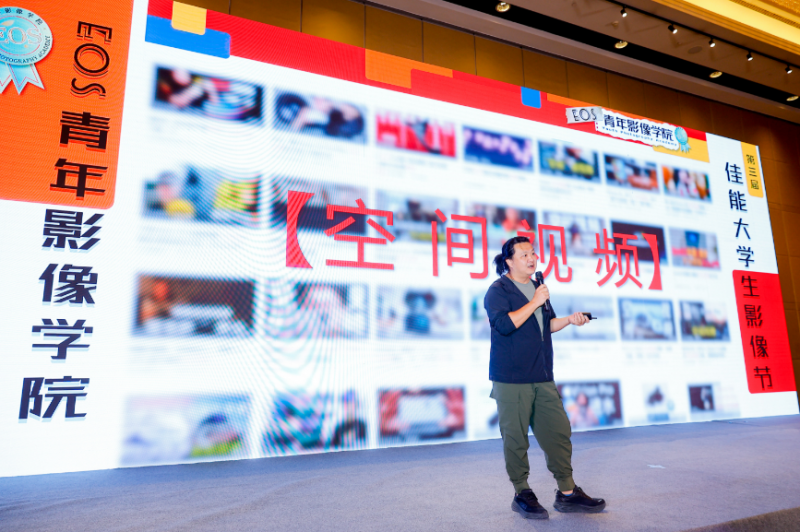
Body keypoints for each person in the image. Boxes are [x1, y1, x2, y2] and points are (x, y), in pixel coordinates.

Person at [484, 236, 606, 519]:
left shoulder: (538, 287)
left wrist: (570, 319)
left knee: (558, 432)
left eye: (533, 253)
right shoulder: (498, 290)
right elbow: (504, 325)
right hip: (511, 378)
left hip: (542, 374)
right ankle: (522, 492)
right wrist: (535, 301)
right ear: (509, 261)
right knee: (515, 438)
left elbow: (545, 325)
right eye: (524, 254)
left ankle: (567, 493)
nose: (532, 258)